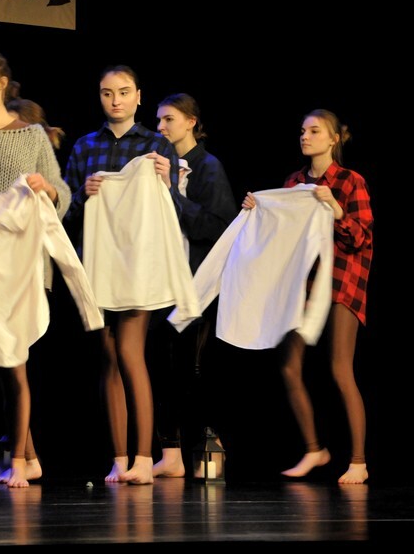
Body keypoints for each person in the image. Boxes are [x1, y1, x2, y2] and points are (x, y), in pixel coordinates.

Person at [62, 65, 182, 485]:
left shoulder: (155, 145)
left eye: (124, 92)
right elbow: (63, 214)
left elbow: (173, 213)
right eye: (107, 92)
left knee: (131, 353)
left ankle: (144, 458)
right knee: (108, 358)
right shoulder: (85, 146)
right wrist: (84, 194)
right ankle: (119, 458)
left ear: (138, 96)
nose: (115, 100)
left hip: (137, 265)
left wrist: (166, 184)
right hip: (95, 264)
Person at [242, 109, 373, 485]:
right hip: (303, 284)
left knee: (339, 367)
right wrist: (259, 211)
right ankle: (314, 449)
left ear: (333, 139)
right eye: (302, 130)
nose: (305, 136)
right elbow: (282, 233)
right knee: (289, 366)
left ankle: (359, 461)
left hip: (342, 282)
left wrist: (334, 208)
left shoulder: (350, 181)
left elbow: (361, 237)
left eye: (315, 131)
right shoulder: (295, 182)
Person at [0, 50, 71, 488]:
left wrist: (48, 189)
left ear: (2, 83)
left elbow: (61, 190)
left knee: (14, 364)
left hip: (20, 265)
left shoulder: (31, 136)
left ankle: (23, 460)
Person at [149, 93, 238, 478]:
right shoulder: (159, 164)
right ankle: (171, 453)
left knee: (194, 367)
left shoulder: (208, 167)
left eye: (169, 119)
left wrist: (171, 194)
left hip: (199, 283)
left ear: (191, 122)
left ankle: (206, 446)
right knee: (165, 366)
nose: (161, 127)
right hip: (163, 281)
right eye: (158, 120)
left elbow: (217, 226)